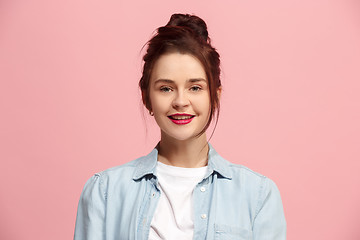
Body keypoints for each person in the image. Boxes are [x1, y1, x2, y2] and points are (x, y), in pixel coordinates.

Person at [74, 13, 286, 240]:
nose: (180, 101)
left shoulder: (257, 195)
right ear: (147, 98)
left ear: (215, 96)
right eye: (166, 88)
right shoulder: (105, 192)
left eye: (195, 87)